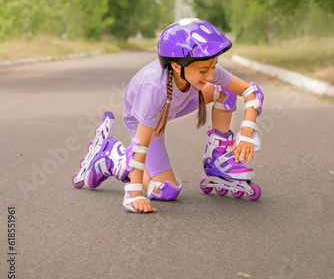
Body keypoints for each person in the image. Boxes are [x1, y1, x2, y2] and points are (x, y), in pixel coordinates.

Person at [80, 18, 264, 213]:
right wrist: (135, 194)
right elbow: (140, 145)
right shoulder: (152, 88)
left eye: (214, 66)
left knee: (226, 90)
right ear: (177, 66)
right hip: (145, 121)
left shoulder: (201, 69)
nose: (211, 75)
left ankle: (218, 159)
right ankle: (112, 156)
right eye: (204, 70)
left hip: (175, 105)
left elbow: (251, 92)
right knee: (166, 191)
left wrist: (245, 134)